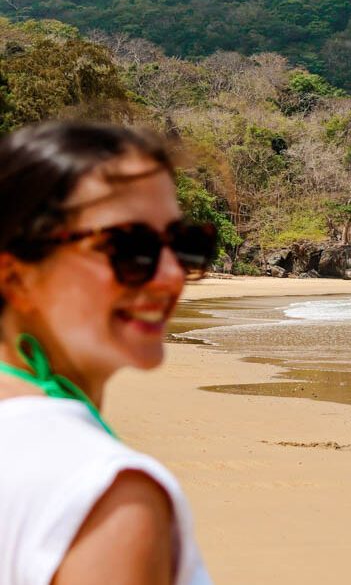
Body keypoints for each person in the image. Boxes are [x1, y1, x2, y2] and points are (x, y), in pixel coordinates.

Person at [0, 121, 217, 585]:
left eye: (185, 245)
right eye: (130, 248)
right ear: (16, 276)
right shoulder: (108, 494)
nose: (172, 275)